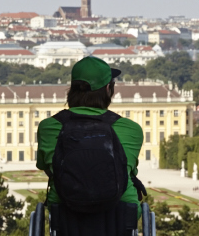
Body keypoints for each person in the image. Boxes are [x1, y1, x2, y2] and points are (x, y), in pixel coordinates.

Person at [35, 55, 144, 213]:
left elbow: (47, 168)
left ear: (72, 89)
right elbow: (129, 170)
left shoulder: (48, 127)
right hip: (121, 216)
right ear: (108, 89)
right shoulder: (131, 129)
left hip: (65, 217)